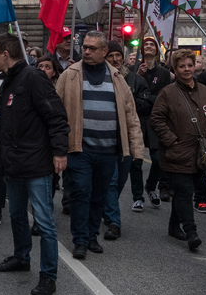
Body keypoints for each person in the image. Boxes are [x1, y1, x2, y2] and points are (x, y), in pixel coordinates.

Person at [0, 33, 70, 295]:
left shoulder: (33, 78)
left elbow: (56, 115)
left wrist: (59, 152)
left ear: (6, 54)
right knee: (17, 215)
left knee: (45, 222)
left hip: (36, 164)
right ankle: (21, 257)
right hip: (13, 164)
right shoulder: (7, 81)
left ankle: (48, 276)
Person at [56, 31, 143, 259]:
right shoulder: (70, 75)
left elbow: (130, 114)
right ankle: (80, 239)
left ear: (104, 51)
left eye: (92, 48)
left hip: (108, 150)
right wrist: (57, 146)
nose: (86, 51)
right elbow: (55, 111)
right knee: (81, 193)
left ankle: (93, 235)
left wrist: (137, 148)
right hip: (80, 148)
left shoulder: (117, 77)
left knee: (99, 196)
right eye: (85, 47)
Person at [150, 50, 206, 251]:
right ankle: (191, 232)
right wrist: (171, 140)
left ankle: (174, 225)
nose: (186, 69)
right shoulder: (168, 93)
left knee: (185, 191)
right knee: (184, 191)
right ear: (175, 68)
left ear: (195, 66)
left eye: (189, 65)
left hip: (202, 154)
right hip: (176, 153)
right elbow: (156, 119)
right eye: (181, 66)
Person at [104, 40, 151, 239]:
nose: (115, 59)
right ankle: (114, 221)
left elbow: (147, 104)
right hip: (107, 138)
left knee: (121, 179)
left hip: (128, 137)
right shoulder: (101, 78)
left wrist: (130, 100)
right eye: (111, 56)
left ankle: (106, 207)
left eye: (118, 56)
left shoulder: (135, 80)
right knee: (111, 181)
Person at [131, 36, 171, 210]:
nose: (148, 46)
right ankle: (137, 196)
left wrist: (146, 98)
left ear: (156, 50)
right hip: (137, 117)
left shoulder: (163, 73)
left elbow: (163, 97)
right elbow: (130, 94)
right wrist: (137, 77)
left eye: (151, 44)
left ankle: (151, 186)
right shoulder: (133, 70)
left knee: (157, 158)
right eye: (145, 44)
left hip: (155, 119)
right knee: (136, 160)